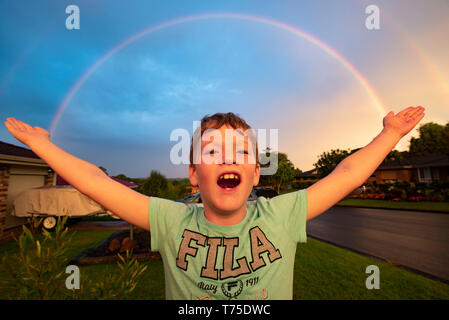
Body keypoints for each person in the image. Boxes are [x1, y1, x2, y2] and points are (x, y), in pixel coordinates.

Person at [4, 106, 425, 299]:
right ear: (193, 175)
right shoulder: (168, 220)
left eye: (242, 152)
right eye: (212, 152)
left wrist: (389, 135)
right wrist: (44, 146)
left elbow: (346, 175)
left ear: (256, 174)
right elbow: (97, 182)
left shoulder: (282, 214)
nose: (227, 158)